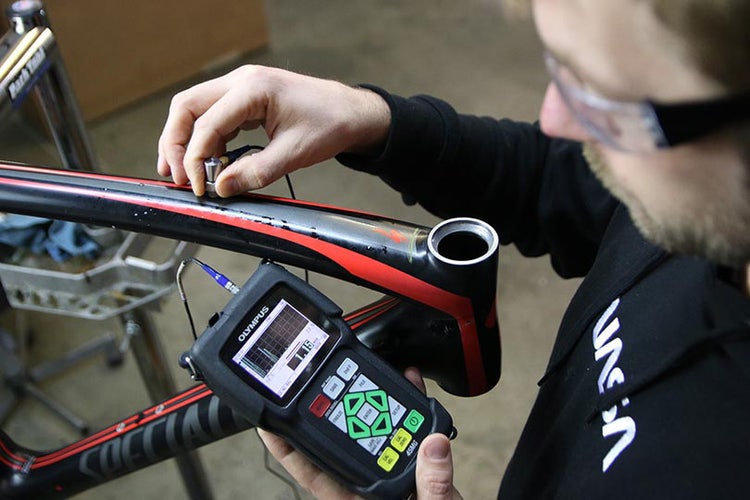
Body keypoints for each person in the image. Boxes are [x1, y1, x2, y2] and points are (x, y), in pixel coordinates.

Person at [157, 0, 750, 498]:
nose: (554, 118)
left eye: (607, 101)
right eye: (559, 70)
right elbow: (557, 180)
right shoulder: (690, 198)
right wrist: (372, 121)